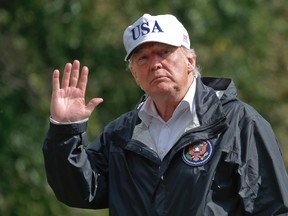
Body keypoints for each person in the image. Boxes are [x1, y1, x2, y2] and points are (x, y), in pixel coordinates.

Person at [43, 14, 288, 215]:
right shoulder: (120, 135)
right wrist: (65, 130)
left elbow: (272, 207)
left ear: (190, 60)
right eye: (143, 57)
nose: (155, 64)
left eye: (164, 52)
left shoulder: (239, 123)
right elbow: (80, 190)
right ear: (135, 75)